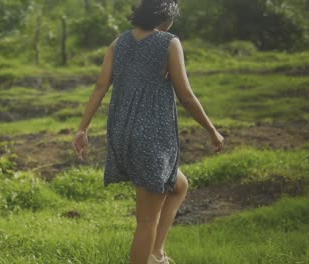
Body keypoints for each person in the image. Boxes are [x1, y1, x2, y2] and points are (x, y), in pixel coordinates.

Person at [72, 0, 225, 263]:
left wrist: (82, 129)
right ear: (165, 19)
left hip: (121, 134)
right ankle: (148, 255)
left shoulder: (118, 42)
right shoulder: (169, 42)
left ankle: (156, 253)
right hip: (151, 136)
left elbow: (100, 85)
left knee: (178, 185)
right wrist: (212, 130)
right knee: (146, 220)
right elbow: (185, 94)